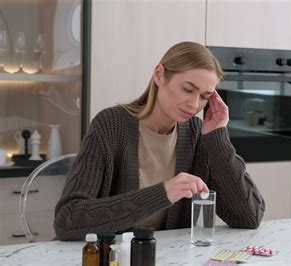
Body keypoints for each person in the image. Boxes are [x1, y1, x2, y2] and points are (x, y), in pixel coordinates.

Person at [54, 41, 266, 240]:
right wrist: (162, 193)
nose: (194, 104)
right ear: (159, 75)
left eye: (204, 96)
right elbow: (68, 219)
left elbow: (248, 217)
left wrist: (217, 138)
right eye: (188, 89)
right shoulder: (110, 125)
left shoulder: (199, 135)